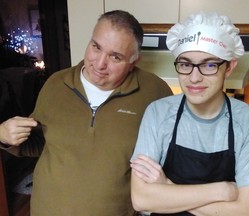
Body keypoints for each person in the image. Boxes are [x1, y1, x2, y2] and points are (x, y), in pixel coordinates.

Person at [0, 10, 173, 216]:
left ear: (133, 62)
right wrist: (4, 136)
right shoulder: (56, 84)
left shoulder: (155, 92)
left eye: (115, 57)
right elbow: (40, 143)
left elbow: (169, 154)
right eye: (96, 47)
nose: (100, 64)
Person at [130, 12, 249, 216]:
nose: (194, 78)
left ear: (229, 67)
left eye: (209, 65)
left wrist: (168, 188)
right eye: (186, 64)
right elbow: (141, 199)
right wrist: (222, 190)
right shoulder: (158, 112)